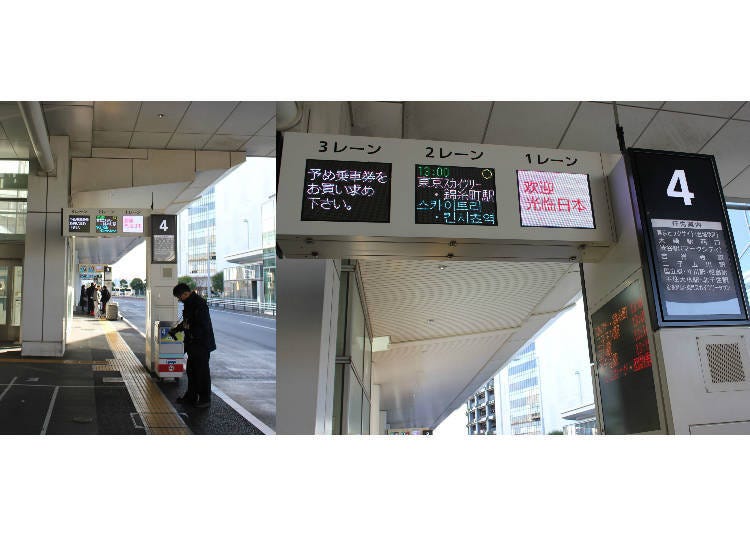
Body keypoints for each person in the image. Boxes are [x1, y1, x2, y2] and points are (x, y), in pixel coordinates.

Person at [169, 283, 216, 408]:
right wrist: (177, 329)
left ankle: (205, 399)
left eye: (179, 297)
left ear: (185, 293)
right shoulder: (190, 303)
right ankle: (191, 397)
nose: (179, 300)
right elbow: (186, 322)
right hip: (193, 343)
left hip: (201, 344)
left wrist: (191, 334)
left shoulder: (199, 304)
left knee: (202, 372)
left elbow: (200, 325)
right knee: (191, 371)